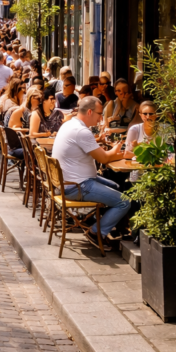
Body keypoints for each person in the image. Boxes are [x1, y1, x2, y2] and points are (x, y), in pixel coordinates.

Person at [51, 96, 130, 245]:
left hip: (68, 182)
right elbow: (104, 159)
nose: (101, 118)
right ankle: (96, 233)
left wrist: (103, 145)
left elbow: (89, 148)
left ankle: (103, 224)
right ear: (89, 112)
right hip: (78, 187)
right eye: (100, 113)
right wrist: (116, 150)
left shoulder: (70, 124)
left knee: (116, 187)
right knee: (124, 202)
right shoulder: (82, 131)